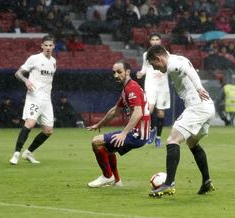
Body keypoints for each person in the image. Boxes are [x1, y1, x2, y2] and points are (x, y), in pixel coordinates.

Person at [146, 45, 215, 197]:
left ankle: (168, 184)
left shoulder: (172, 65)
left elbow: (188, 70)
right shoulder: (177, 58)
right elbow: (186, 67)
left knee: (172, 140)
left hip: (197, 106)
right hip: (207, 107)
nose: (155, 69)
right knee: (192, 143)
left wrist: (198, 88)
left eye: (154, 64)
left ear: (158, 58)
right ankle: (206, 181)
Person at [86, 60, 150, 188]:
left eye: (119, 72)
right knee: (108, 149)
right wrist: (99, 124)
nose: (116, 75)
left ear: (127, 72)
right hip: (138, 133)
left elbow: (138, 112)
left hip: (136, 134)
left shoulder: (132, 88)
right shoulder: (127, 88)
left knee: (96, 142)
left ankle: (107, 176)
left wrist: (124, 133)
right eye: (114, 72)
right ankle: (116, 181)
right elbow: (115, 110)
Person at [9, 35, 56, 165]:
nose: (48, 48)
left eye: (50, 45)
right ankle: (16, 154)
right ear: (41, 46)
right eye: (45, 45)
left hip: (47, 100)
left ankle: (28, 152)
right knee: (29, 123)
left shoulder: (53, 62)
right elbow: (18, 73)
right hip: (34, 97)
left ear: (53, 46)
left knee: (48, 131)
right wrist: (26, 81)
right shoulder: (34, 58)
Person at [137, 33, 170, 148]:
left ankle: (158, 137)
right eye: (153, 39)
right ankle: (151, 130)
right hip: (150, 84)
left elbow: (169, 68)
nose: (155, 41)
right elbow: (145, 68)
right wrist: (141, 73)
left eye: (157, 39)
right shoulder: (146, 54)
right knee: (149, 109)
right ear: (150, 41)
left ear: (160, 41)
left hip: (163, 86)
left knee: (160, 113)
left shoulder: (166, 54)